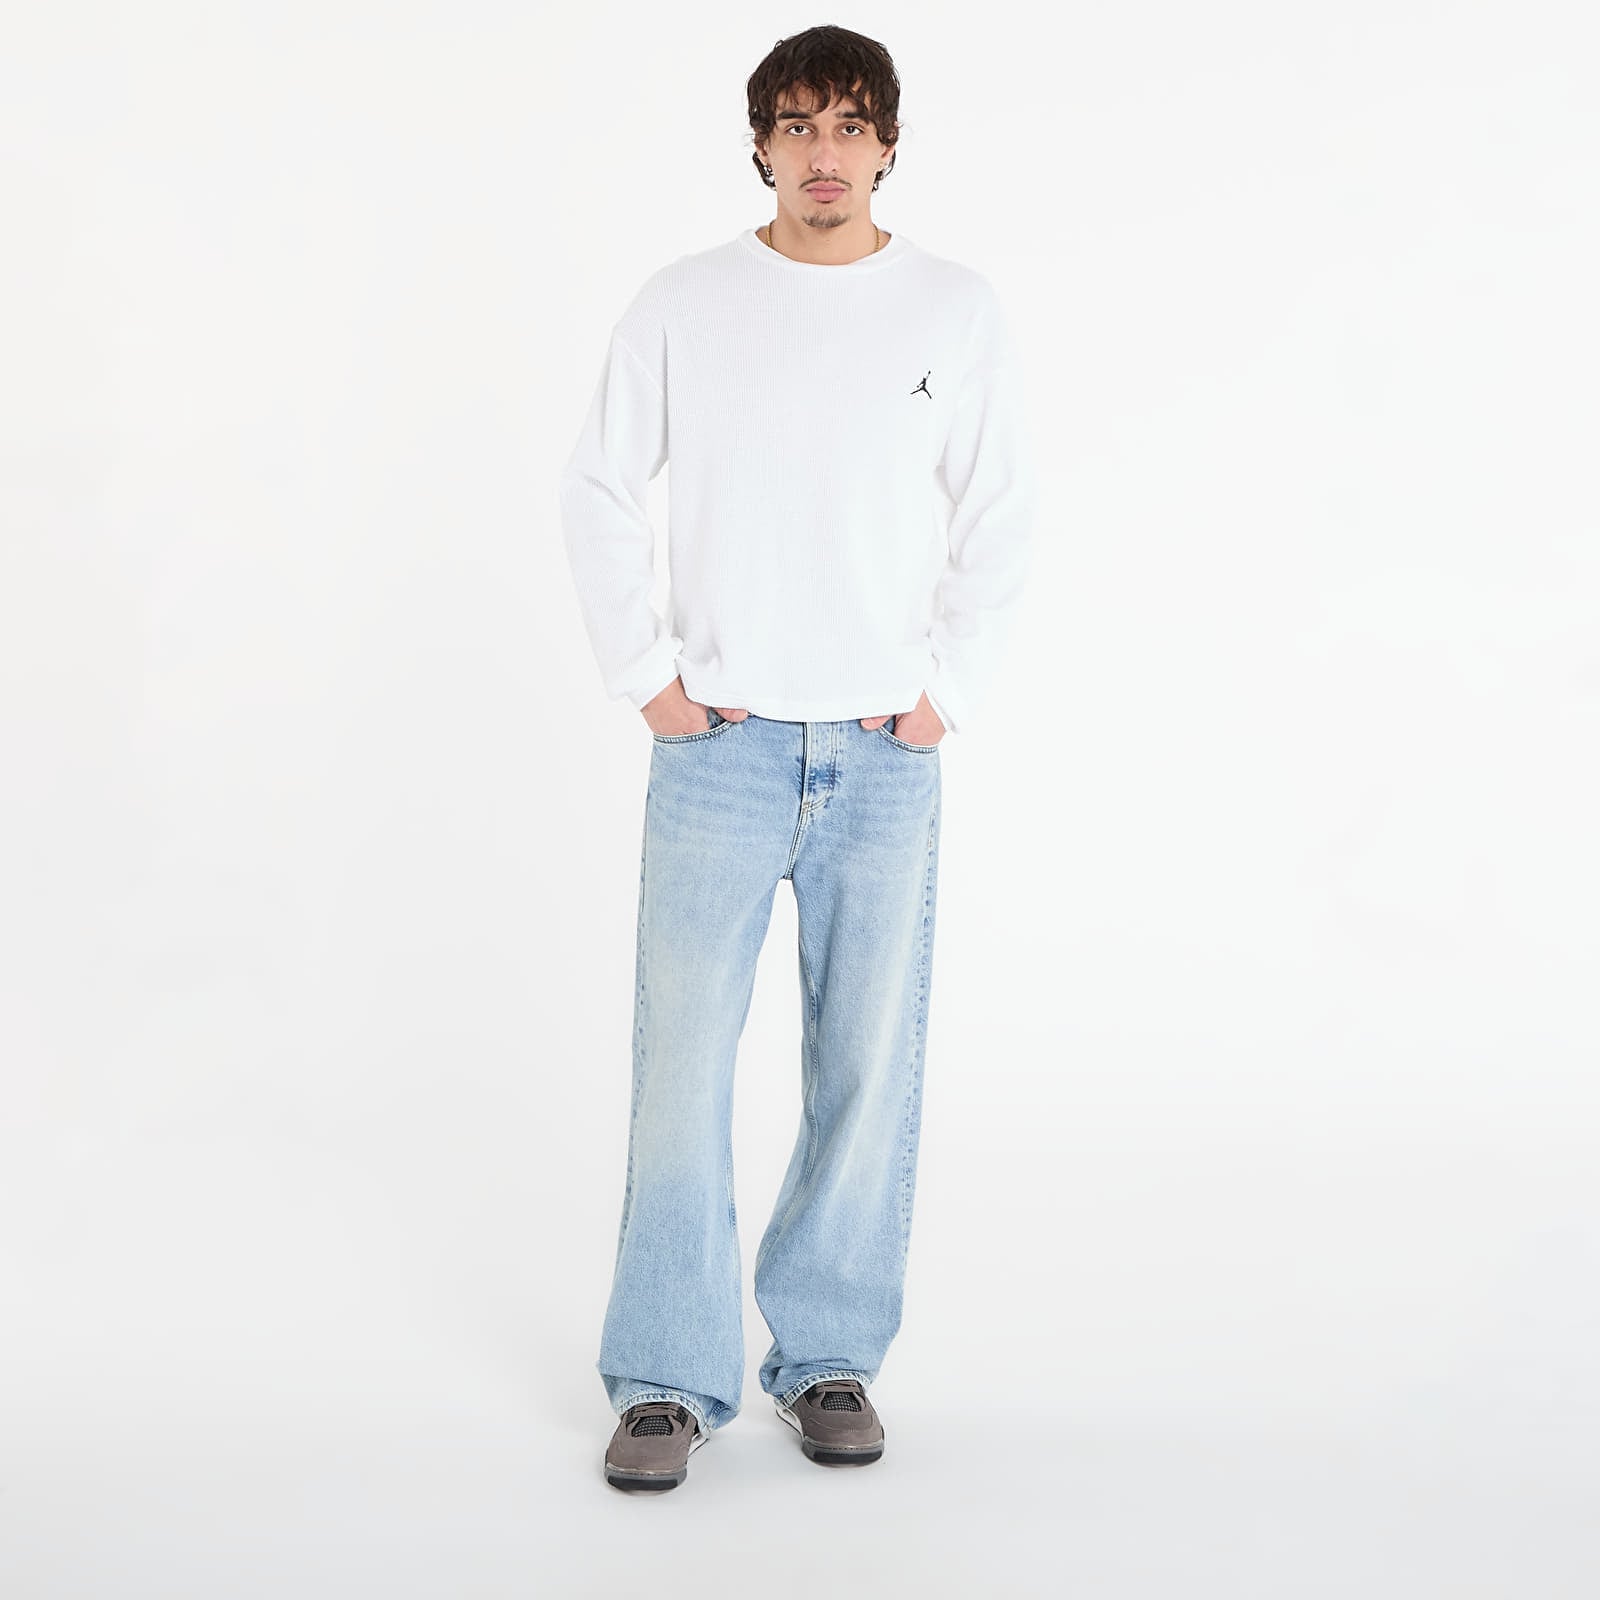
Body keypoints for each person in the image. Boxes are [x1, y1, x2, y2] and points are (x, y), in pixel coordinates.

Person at [558, 25, 1036, 1493]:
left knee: (866, 1070)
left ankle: (828, 1355)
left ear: (889, 144)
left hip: (885, 753)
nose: (824, 151)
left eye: (850, 124)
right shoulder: (684, 303)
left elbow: (1000, 508)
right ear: (760, 144)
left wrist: (945, 694)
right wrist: (648, 680)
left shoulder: (951, 308)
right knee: (681, 1067)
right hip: (721, 745)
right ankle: (665, 1377)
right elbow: (598, 486)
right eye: (797, 124)